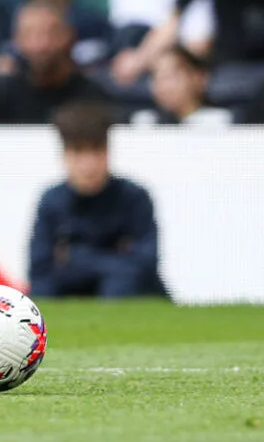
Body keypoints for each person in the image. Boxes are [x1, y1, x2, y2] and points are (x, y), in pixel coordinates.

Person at [29, 100, 164, 298]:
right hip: (69, 301)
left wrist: (75, 258)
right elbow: (40, 273)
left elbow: (144, 264)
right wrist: (115, 257)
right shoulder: (52, 202)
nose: (89, 165)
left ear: (108, 152)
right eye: (79, 152)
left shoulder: (133, 198)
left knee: (122, 285)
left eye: (97, 151)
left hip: (128, 303)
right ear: (65, 155)